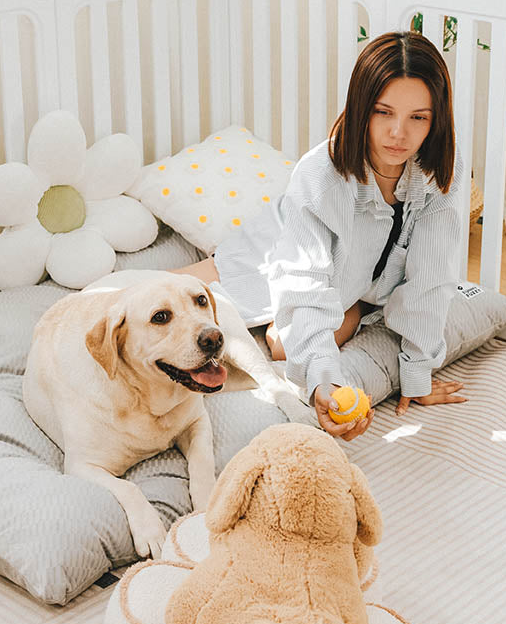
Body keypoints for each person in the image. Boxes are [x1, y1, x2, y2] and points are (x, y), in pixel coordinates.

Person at [175, 31, 467, 440]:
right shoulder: (321, 176)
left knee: (282, 345)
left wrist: (416, 376)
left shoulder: (441, 180)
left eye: (418, 117)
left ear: (436, 120)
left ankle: (351, 310)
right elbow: (302, 277)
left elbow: (431, 282)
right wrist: (325, 381)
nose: (399, 133)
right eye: (384, 112)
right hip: (274, 249)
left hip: (351, 284)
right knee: (167, 294)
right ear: (362, 108)